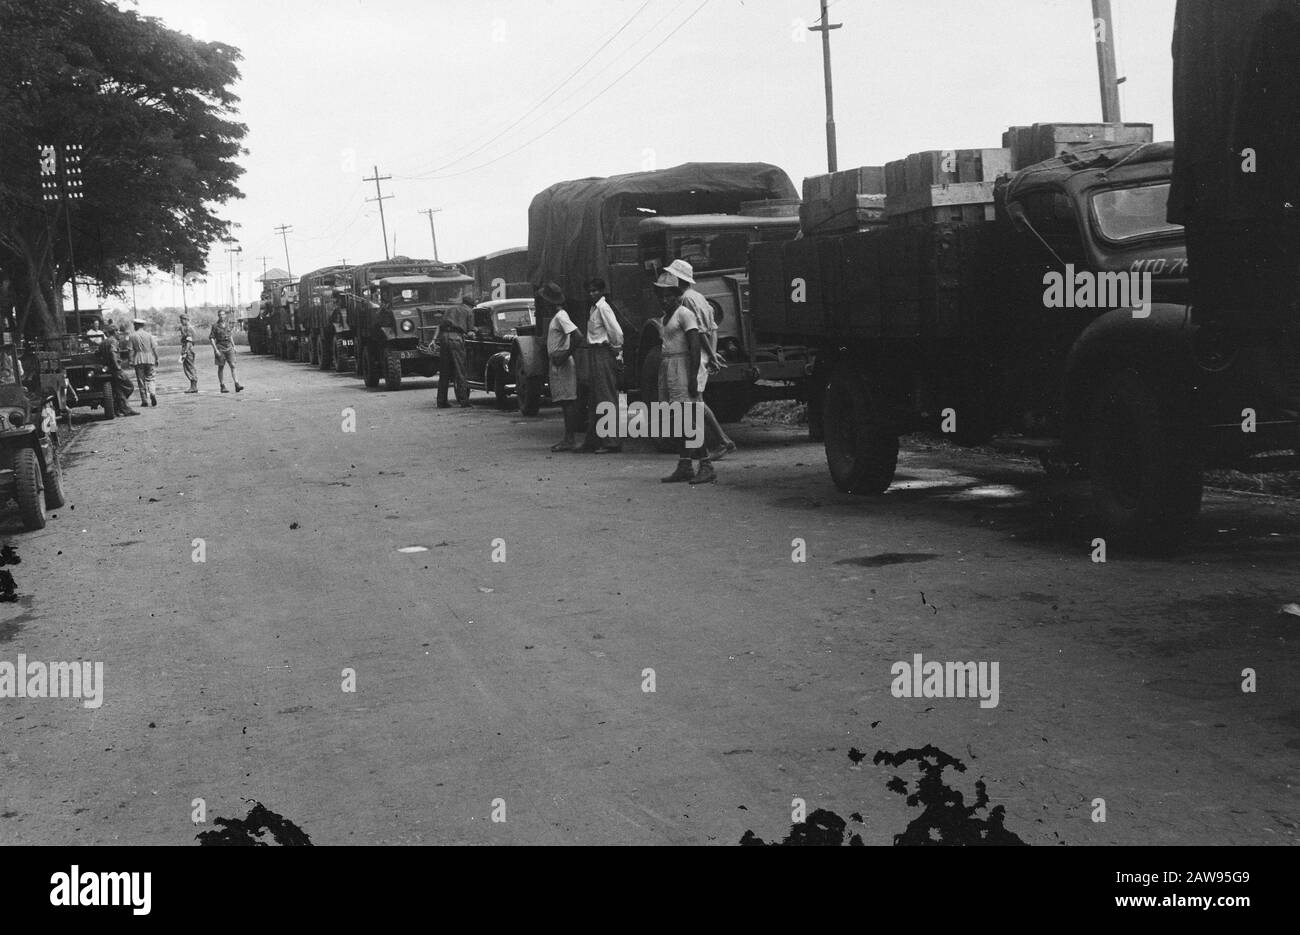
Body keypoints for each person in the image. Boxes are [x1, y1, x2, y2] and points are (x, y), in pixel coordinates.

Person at [663, 259, 737, 462]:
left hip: (695, 355)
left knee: (695, 402)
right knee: (697, 402)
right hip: (704, 353)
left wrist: (711, 355)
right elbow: (713, 327)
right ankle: (718, 441)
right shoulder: (699, 296)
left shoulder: (685, 300)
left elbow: (698, 332)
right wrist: (712, 353)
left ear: (678, 279)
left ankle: (720, 441)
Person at [654, 272, 714, 484]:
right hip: (669, 367)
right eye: (661, 295)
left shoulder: (685, 314)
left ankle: (706, 464)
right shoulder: (664, 318)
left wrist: (692, 377)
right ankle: (685, 464)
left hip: (683, 367)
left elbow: (695, 346)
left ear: (677, 296)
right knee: (678, 419)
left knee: (691, 419)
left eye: (669, 295)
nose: (664, 299)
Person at [578, 278, 624, 453]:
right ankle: (595, 440)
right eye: (589, 291)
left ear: (602, 291)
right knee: (596, 398)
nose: (592, 294)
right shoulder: (594, 308)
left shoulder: (603, 308)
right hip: (595, 352)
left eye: (595, 291)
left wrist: (616, 351)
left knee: (606, 397)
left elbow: (616, 333)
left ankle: (612, 442)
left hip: (603, 352)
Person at [539, 281, 580, 452]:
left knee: (567, 401)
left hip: (561, 362)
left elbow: (578, 337)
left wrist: (564, 355)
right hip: (558, 362)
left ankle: (569, 439)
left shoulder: (561, 316)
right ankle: (567, 438)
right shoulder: (558, 317)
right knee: (564, 401)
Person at [436, 295, 474, 408]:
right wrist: (475, 330)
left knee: (444, 372)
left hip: (443, 339)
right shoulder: (469, 311)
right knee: (460, 370)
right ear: (471, 305)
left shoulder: (449, 309)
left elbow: (440, 325)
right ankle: (464, 401)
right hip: (456, 339)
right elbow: (470, 331)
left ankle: (441, 401)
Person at [95, 324, 139, 416]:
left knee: (118, 389)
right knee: (129, 387)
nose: (119, 333)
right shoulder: (113, 341)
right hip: (115, 369)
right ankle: (120, 406)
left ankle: (123, 409)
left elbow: (97, 354)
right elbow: (112, 353)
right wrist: (117, 366)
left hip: (108, 370)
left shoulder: (103, 342)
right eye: (117, 331)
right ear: (114, 332)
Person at [128, 318, 160, 407]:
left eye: (135, 325)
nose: (134, 326)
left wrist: (130, 360)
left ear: (137, 325)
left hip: (138, 359)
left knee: (141, 380)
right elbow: (154, 348)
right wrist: (157, 359)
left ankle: (144, 400)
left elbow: (130, 350)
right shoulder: (149, 335)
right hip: (149, 358)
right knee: (151, 378)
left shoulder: (132, 336)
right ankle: (152, 393)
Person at [209, 309, 243, 393]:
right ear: (218, 316)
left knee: (233, 365)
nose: (222, 316)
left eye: (223, 314)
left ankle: (237, 384)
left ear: (225, 315)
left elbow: (230, 335)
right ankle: (222, 385)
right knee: (221, 367)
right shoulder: (215, 326)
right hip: (220, 347)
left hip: (229, 347)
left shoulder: (227, 325)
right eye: (220, 315)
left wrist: (234, 346)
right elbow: (212, 338)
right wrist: (215, 349)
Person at [179, 313, 198, 393]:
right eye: (181, 319)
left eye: (182, 319)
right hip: (187, 349)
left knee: (190, 367)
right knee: (187, 367)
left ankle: (193, 386)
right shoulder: (185, 328)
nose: (181, 321)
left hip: (188, 350)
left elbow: (189, 341)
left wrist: (185, 352)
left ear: (186, 320)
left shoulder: (189, 328)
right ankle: (193, 386)